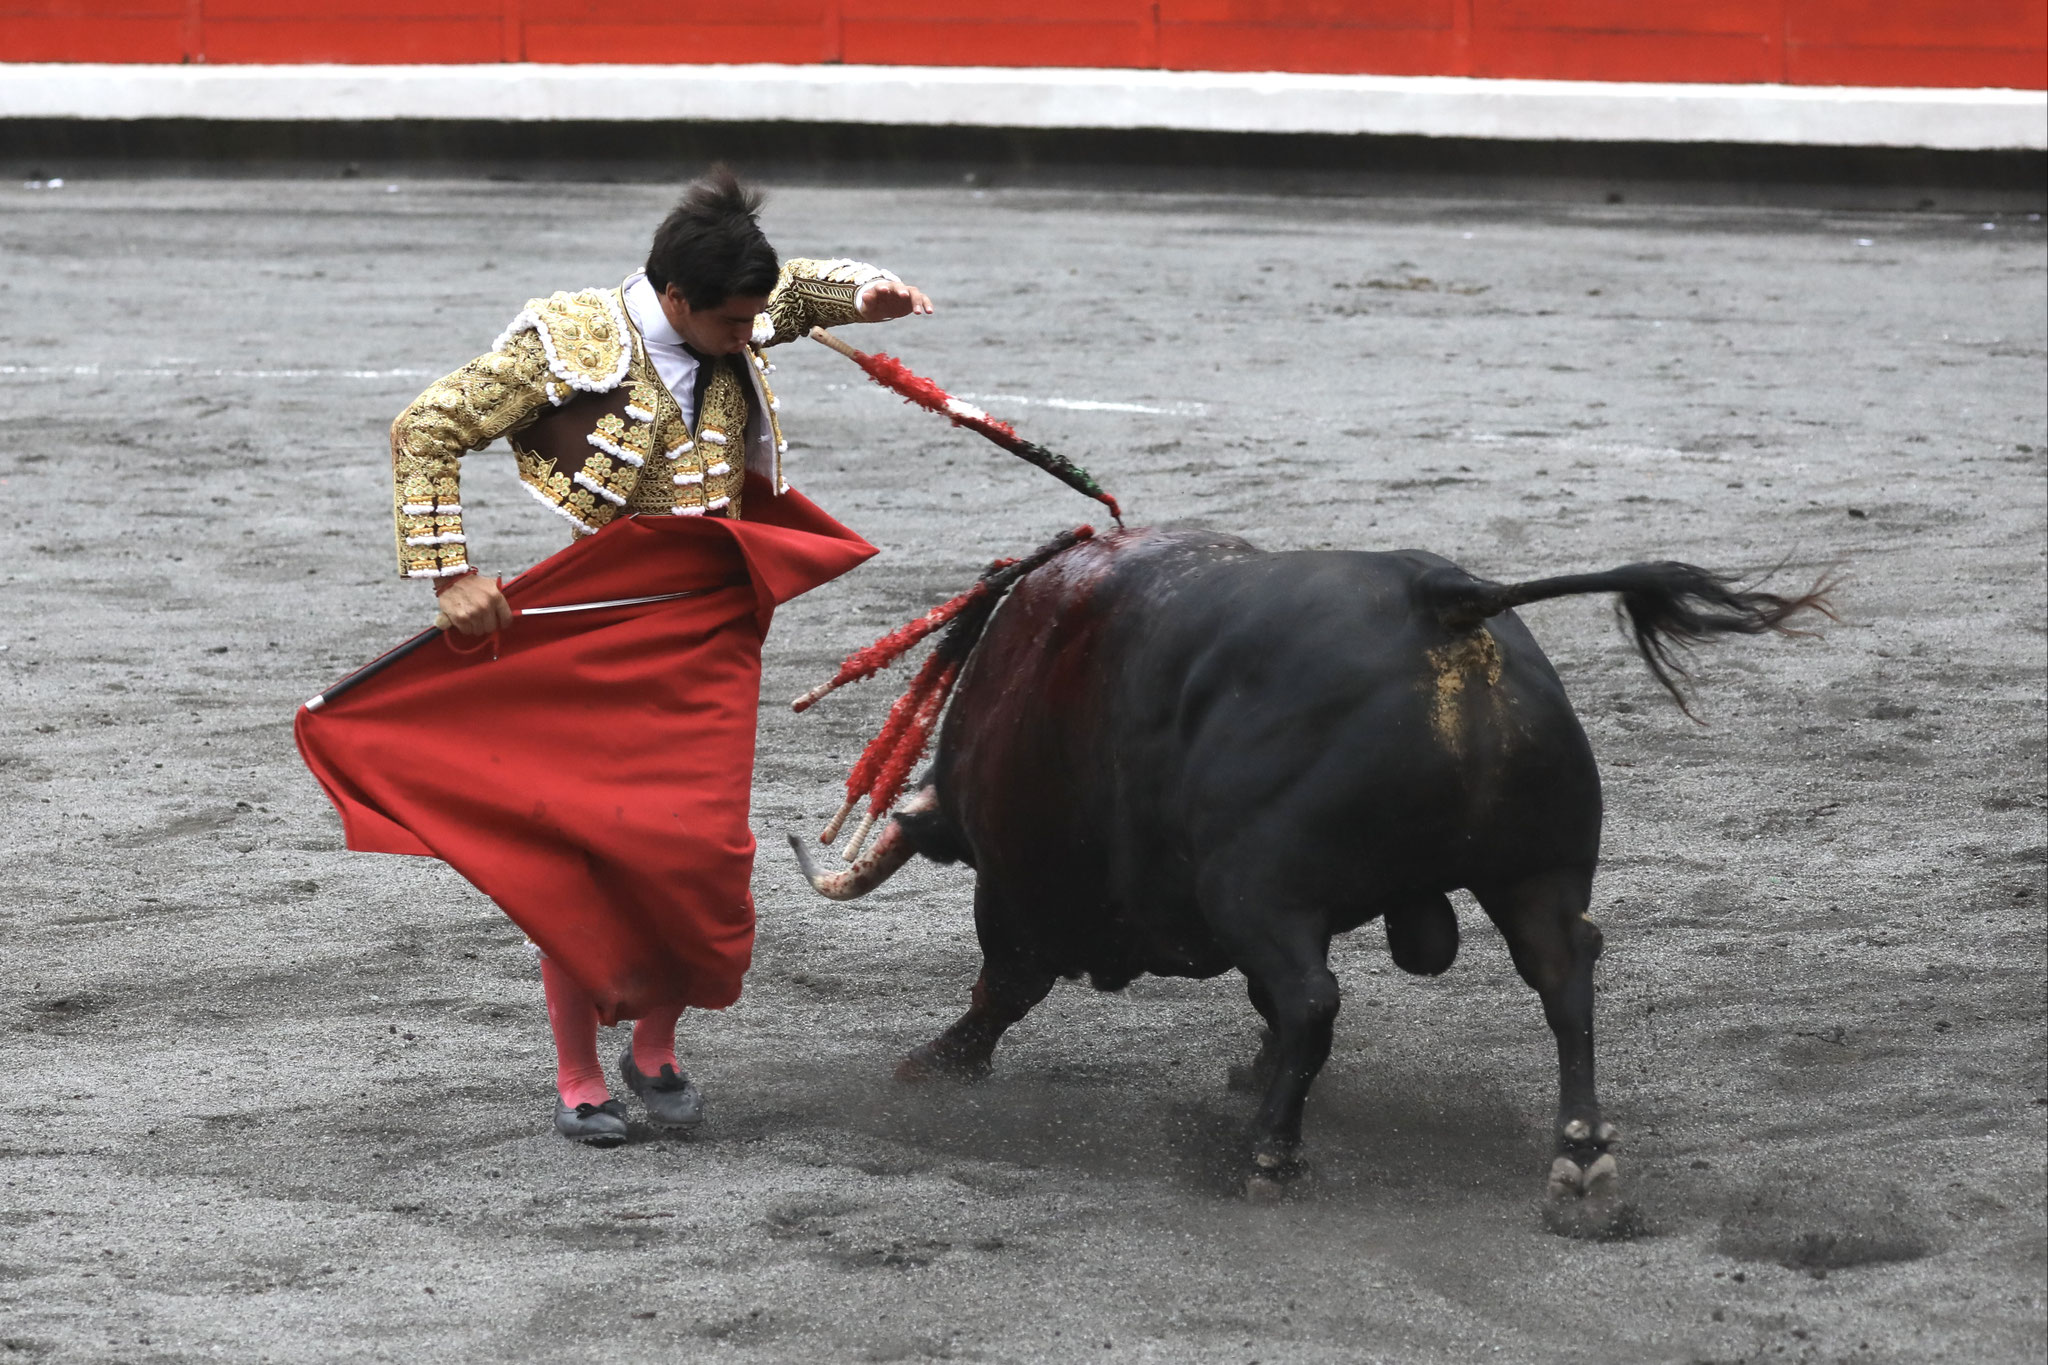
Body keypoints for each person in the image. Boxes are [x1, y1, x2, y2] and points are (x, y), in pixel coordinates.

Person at [384, 168, 932, 1145]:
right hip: (605, 623)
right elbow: (426, 427)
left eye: (753, 319)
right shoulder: (573, 340)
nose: (751, 335)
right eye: (733, 322)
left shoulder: (732, 311)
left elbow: (794, 295)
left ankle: (655, 1045)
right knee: (593, 855)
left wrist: (864, 293)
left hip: (715, 626)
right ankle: (577, 1072)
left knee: (701, 853)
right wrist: (448, 575)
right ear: (675, 297)